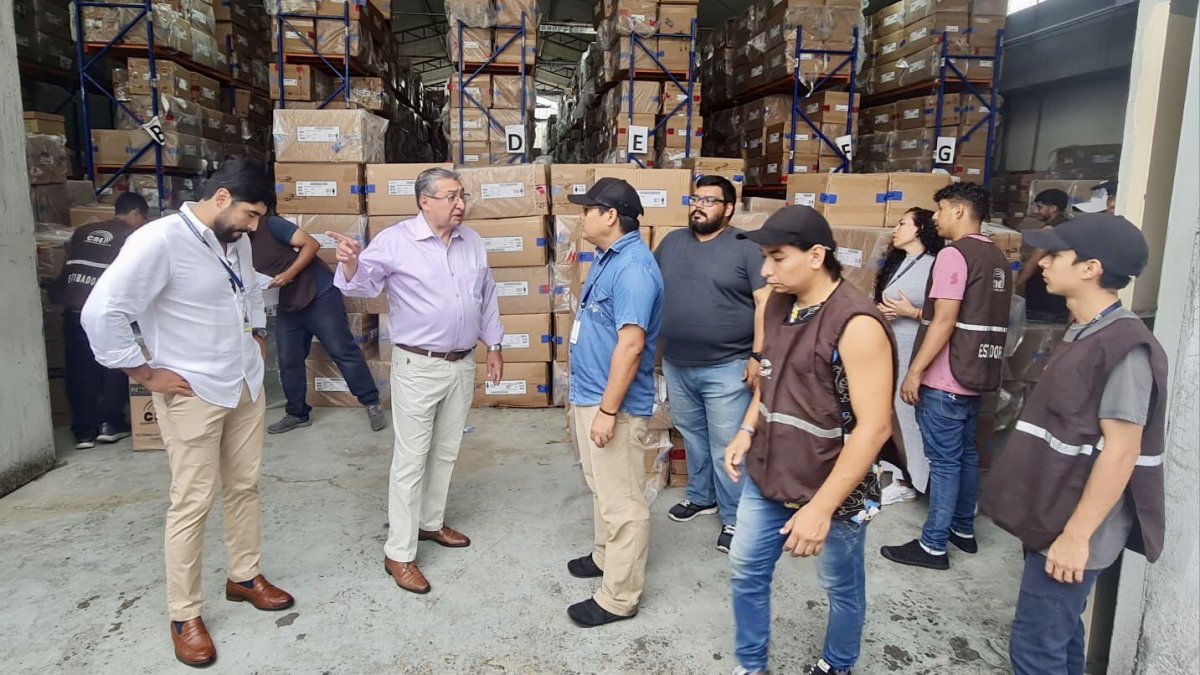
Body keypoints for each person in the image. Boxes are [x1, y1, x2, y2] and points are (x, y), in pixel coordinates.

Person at [81, 158, 294, 668]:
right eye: (249, 213)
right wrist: (144, 374)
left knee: (245, 486)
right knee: (192, 502)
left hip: (242, 382)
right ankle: (184, 614)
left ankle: (243, 576)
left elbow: (249, 290)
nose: (254, 226)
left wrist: (258, 337)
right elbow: (101, 312)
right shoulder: (158, 242)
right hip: (192, 391)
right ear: (220, 198)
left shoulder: (236, 241)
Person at [979, 214, 1166, 675]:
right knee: (1059, 641)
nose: (1041, 262)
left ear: (1090, 268)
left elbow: (1122, 451)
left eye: (1056, 254)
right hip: (1052, 513)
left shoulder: (1125, 346)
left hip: (1075, 526)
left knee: (1035, 649)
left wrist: (1076, 538)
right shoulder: (1085, 330)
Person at [725, 206, 898, 675]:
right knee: (746, 570)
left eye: (777, 257)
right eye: (764, 257)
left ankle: (838, 664)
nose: (766, 270)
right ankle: (751, 664)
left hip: (832, 485)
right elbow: (767, 376)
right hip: (769, 468)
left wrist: (820, 509)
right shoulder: (779, 302)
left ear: (817, 255)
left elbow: (874, 427)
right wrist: (747, 429)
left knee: (840, 584)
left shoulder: (856, 323)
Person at [329, 167, 504, 596]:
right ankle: (399, 553)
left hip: (461, 363)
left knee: (446, 451)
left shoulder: (472, 241)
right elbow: (363, 286)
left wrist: (494, 345)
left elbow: (487, 295)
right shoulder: (396, 241)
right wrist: (351, 262)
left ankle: (430, 523)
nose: (459, 204)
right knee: (411, 460)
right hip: (419, 366)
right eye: (449, 197)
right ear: (425, 201)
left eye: (462, 196)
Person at [880, 182, 1012, 571]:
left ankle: (933, 545)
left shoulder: (954, 255)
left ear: (957, 210)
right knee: (966, 454)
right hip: (977, 372)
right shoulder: (996, 257)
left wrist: (914, 372)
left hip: (946, 378)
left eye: (938, 211)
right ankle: (962, 530)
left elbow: (944, 320)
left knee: (945, 461)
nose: (934, 219)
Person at [563, 178, 664, 628]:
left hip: (614, 406)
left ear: (610, 216)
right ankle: (605, 557)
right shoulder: (608, 258)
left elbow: (631, 346)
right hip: (589, 395)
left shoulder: (634, 269)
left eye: (587, 209)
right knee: (600, 485)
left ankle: (619, 597)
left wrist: (607, 411)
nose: (581, 216)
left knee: (623, 502)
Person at [654, 175, 770, 553]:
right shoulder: (671, 242)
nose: (699, 205)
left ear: (729, 208)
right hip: (677, 362)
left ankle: (736, 518)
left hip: (727, 365)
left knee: (727, 444)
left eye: (709, 200)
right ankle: (701, 497)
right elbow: (654, 291)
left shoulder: (746, 248)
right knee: (692, 435)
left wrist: (757, 355)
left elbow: (766, 304)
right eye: (695, 198)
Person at [247, 213, 385, 434]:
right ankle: (297, 413)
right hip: (288, 302)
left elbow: (311, 244)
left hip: (319, 294)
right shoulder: (236, 240)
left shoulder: (271, 224)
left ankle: (371, 402)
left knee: (342, 350)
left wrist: (288, 274)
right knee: (288, 359)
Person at [50, 192, 150, 449]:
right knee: (114, 366)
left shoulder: (83, 231)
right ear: (137, 214)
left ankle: (83, 431)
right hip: (107, 311)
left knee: (79, 371)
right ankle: (110, 423)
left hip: (73, 309)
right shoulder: (134, 236)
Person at [873, 207, 942, 505]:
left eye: (902, 224)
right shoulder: (902, 262)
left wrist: (909, 312)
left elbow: (945, 315)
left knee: (908, 417)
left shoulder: (934, 265)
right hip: (892, 349)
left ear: (919, 229)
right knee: (892, 414)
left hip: (913, 350)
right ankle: (898, 472)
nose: (895, 229)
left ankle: (914, 480)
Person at [1017, 189, 1071, 322]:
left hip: (1044, 298)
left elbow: (1034, 261)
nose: (1036, 211)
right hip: (1061, 294)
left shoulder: (1050, 230)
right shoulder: (1067, 225)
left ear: (1053, 208)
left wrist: (1016, 285)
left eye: (1040, 207)